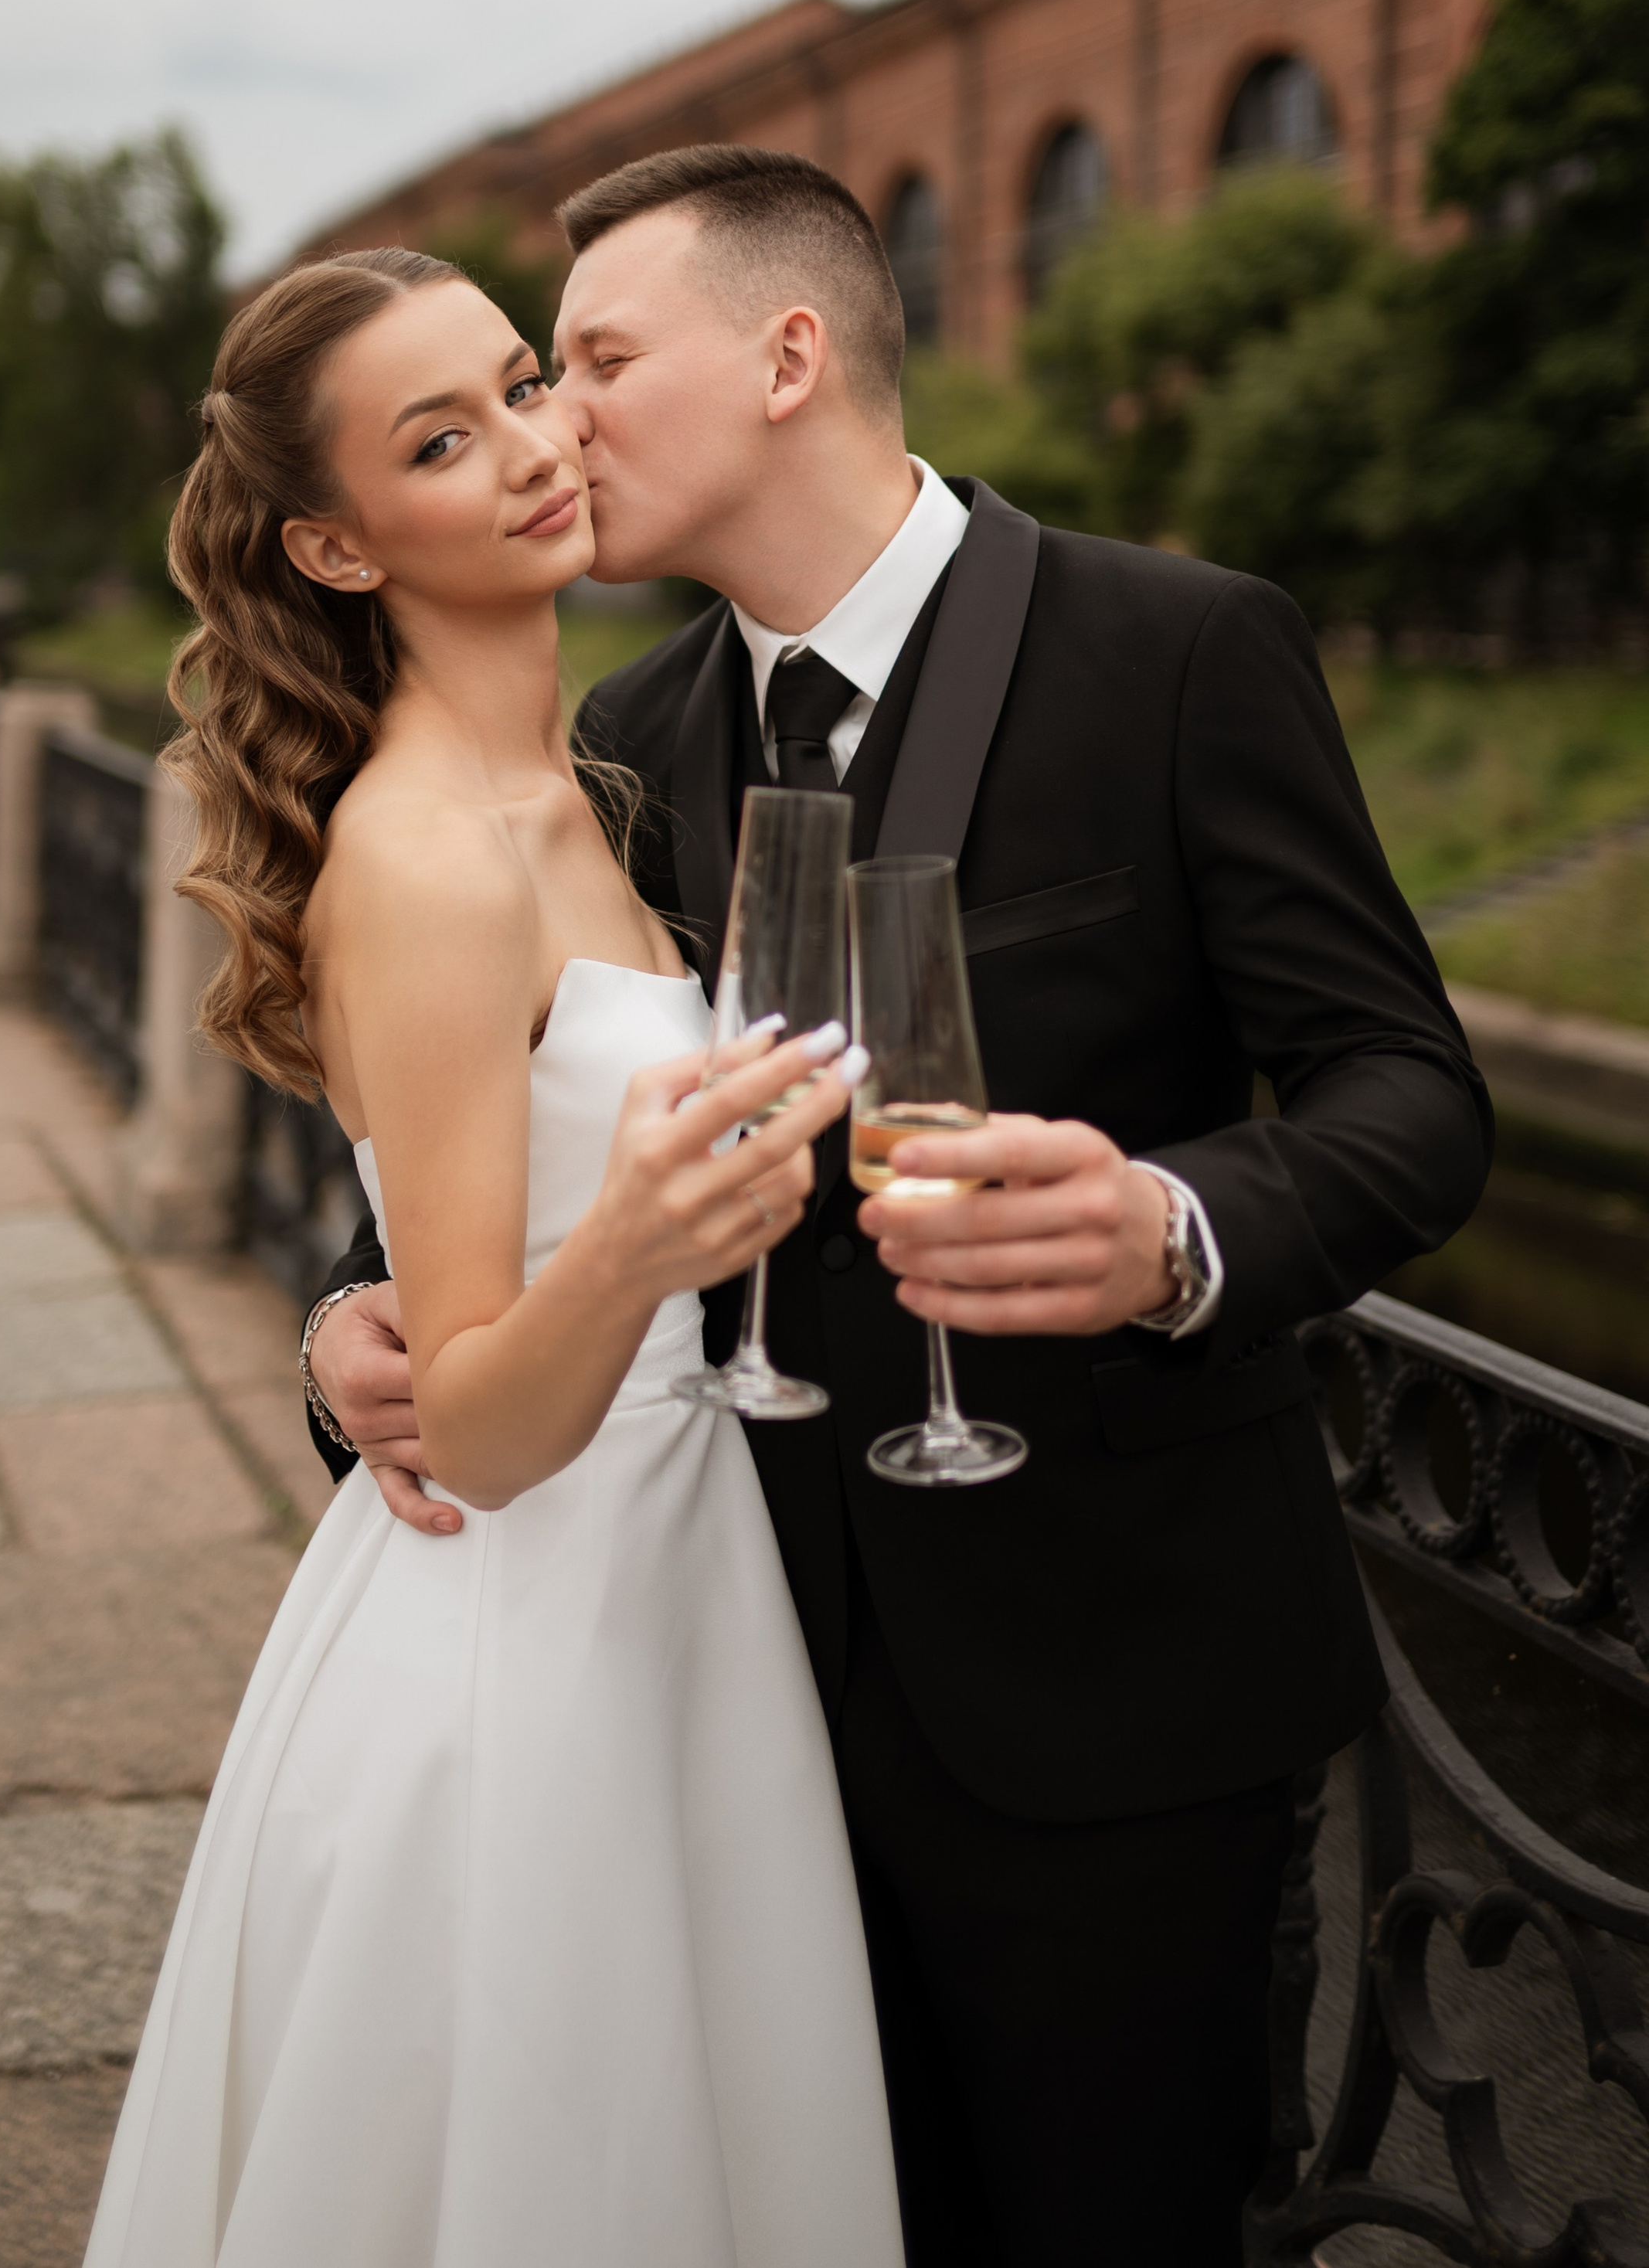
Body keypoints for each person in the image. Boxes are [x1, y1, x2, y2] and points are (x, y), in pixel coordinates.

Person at [304, 147, 1493, 2268]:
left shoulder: (1182, 648)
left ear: (788, 355)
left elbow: (1412, 1091)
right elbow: (526, 1094)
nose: (553, 423)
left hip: (1116, 1714)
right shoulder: (629, 736)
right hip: (722, 1703)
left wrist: (1173, 1230)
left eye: (589, 362)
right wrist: (346, 1318)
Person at [85, 248, 906, 2267]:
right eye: (443, 438)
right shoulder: (434, 851)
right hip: (524, 1628)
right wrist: (639, 1244)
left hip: (676, 1565)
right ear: (339, 543)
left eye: (526, 384)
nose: (535, 446)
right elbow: (471, 1411)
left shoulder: (587, 783)